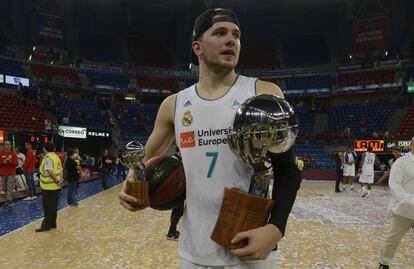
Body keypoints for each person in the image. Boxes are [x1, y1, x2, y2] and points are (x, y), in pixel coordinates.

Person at [119, 8, 301, 268]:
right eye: (220, 33)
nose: (231, 40)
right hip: (193, 252)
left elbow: (288, 170)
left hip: (249, 248)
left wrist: (276, 228)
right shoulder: (174, 105)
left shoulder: (262, 92)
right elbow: (144, 161)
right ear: (197, 47)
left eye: (236, 35)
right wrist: (134, 189)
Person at [378, 136, 414, 269]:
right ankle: (384, 263)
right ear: (412, 145)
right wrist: (410, 199)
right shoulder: (401, 163)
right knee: (393, 240)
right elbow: (394, 185)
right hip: (402, 210)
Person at [35, 142, 63, 232]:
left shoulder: (48, 158)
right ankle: (52, 224)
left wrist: (57, 181)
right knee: (53, 206)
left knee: (47, 207)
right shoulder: (56, 157)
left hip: (48, 187)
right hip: (56, 187)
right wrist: (60, 181)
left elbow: (50, 172)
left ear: (44, 149)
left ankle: (46, 225)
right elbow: (61, 170)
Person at [0, 140, 18, 206]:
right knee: (4, 188)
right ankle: (8, 199)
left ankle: (9, 201)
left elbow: (16, 164)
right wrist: (3, 162)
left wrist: (10, 161)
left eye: (9, 144)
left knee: (9, 187)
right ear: (4, 145)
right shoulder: (1, 153)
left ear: (11, 145)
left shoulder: (13, 154)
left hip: (11, 173)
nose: (8, 145)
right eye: (6, 144)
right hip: (3, 173)